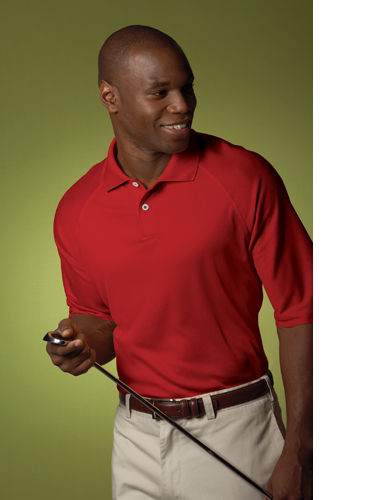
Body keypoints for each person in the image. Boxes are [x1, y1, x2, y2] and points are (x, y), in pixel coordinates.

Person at [46, 25, 312, 500]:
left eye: (187, 87)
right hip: (135, 435)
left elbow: (303, 309)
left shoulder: (244, 177)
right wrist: (79, 343)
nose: (182, 105)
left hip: (236, 431)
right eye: (160, 92)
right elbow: (98, 321)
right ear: (110, 97)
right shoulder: (76, 207)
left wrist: (301, 448)